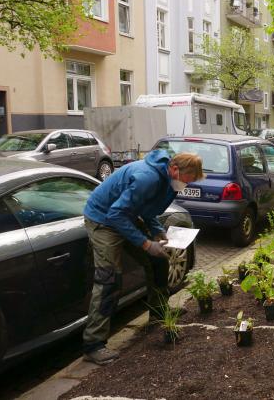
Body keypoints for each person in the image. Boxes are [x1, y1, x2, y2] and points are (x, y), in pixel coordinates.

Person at [81, 150, 203, 365]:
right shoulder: (147, 177)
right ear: (175, 170)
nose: (187, 185)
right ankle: (93, 345)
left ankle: (158, 312)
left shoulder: (170, 181)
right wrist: (146, 244)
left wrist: (157, 230)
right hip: (103, 219)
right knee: (109, 279)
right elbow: (115, 214)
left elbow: (147, 209)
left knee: (159, 261)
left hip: (123, 215)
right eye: (187, 179)